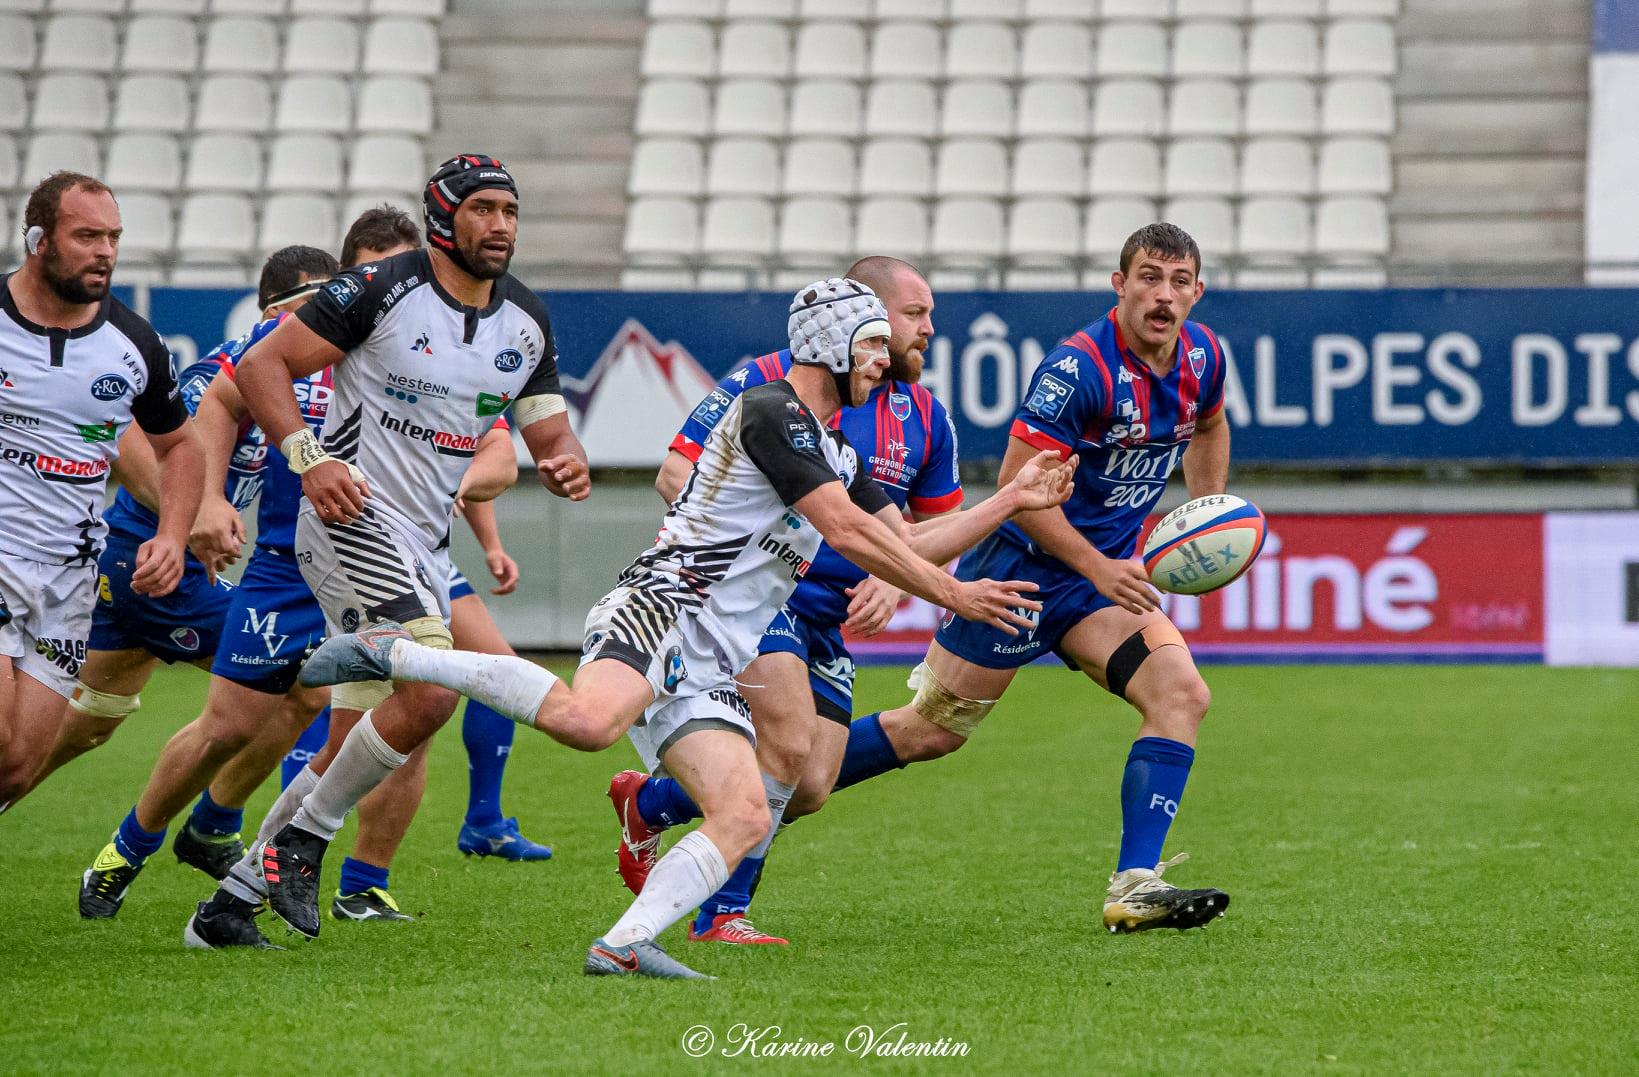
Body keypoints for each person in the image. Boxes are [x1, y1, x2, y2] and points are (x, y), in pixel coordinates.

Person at [303, 277, 1071, 979]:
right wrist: (956, 597)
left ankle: (624, 943)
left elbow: (900, 544)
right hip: (665, 605)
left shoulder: (833, 444)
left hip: (714, 655)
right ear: (829, 343)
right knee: (585, 722)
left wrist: (1011, 501)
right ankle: (394, 650)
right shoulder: (774, 411)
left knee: (745, 810)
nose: (882, 357)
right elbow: (843, 530)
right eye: (869, 341)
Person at [184, 154, 589, 949]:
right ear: (443, 217)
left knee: (350, 741)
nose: (500, 224)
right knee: (434, 688)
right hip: (348, 522)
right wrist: (308, 455)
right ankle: (306, 841)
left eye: (509, 209)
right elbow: (258, 365)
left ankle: (228, 904)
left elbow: (547, 428)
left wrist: (566, 458)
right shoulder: (379, 289)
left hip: (422, 543)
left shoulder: (526, 320)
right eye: (482, 209)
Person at [813, 224, 1236, 934]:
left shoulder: (1204, 356)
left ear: (1197, 289)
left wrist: (1202, 514)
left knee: (1181, 693)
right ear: (1119, 284)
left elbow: (1210, 425)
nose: (1163, 295)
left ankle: (1134, 882)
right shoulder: (1077, 369)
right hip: (1017, 573)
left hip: (1097, 589)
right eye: (1148, 277)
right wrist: (1099, 562)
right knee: (931, 731)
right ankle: (696, 795)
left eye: (1178, 280)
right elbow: (1016, 487)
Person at [611, 256, 960, 945]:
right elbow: (677, 469)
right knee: (785, 741)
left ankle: (652, 800)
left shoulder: (925, 414)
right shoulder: (768, 382)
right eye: (914, 315)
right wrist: (736, 555)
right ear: (867, 318)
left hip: (827, 618)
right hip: (764, 600)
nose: (926, 331)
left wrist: (895, 574)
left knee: (808, 783)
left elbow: (924, 533)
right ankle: (720, 914)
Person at [75, 248, 343, 916]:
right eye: (315, 303)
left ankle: (128, 852)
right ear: (275, 309)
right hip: (152, 564)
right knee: (294, 687)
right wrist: (198, 509)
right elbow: (152, 440)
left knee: (68, 732)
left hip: (153, 566)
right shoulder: (229, 368)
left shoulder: (303, 375)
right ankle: (194, 833)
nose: (330, 318)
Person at [0, 172, 203, 813]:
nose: (105, 251)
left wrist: (171, 535)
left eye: (112, 237)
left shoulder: (135, 344)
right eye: (87, 236)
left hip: (69, 577)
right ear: (38, 240)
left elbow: (182, 447)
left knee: (17, 765)